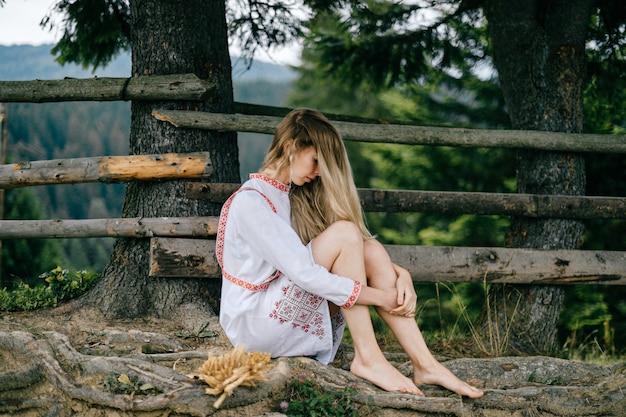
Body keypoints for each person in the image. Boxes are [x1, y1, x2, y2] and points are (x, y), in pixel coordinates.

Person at [217, 108, 483, 398]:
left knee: (370, 247)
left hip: (274, 308)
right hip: (252, 324)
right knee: (345, 232)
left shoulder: (288, 196)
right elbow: (305, 274)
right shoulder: (252, 202)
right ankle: (368, 358)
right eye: (315, 160)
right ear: (290, 146)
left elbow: (356, 252)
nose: (318, 171)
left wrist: (400, 274)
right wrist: (382, 297)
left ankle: (426, 364)